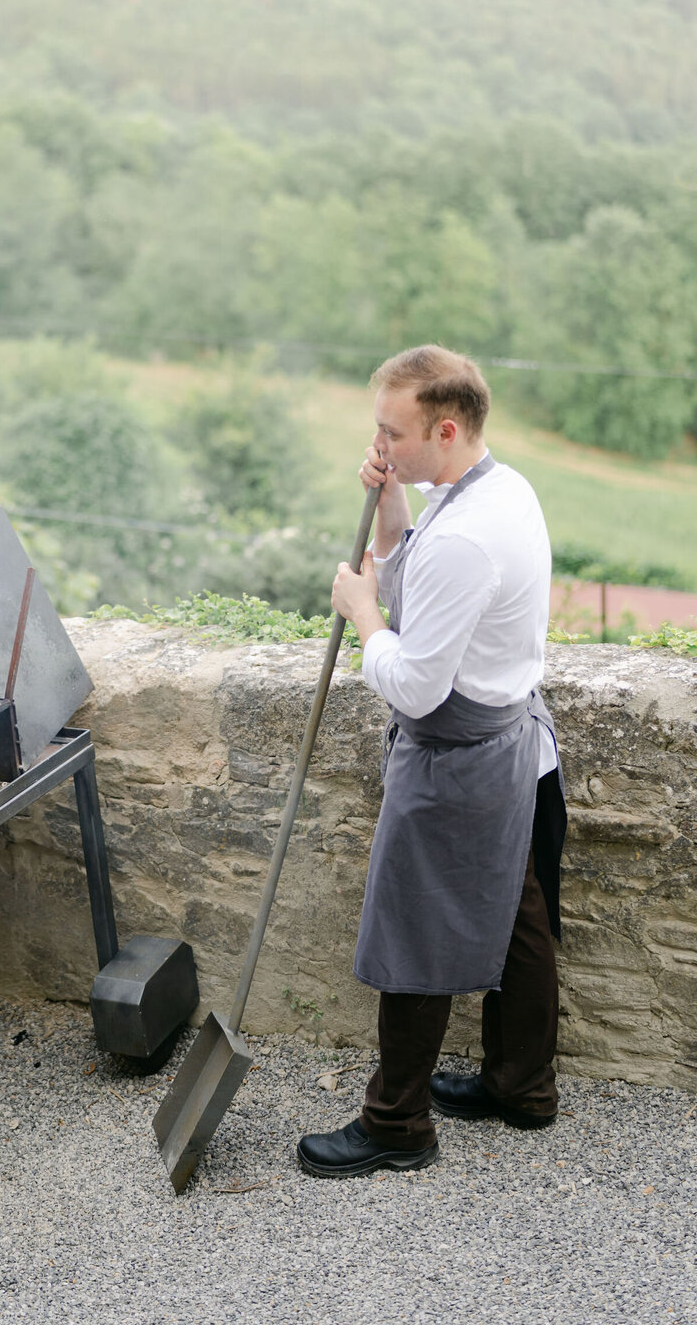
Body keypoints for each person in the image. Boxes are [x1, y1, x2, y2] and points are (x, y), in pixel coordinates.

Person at [297, 345, 566, 1178]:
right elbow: (426, 568)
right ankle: (523, 1087)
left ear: (445, 429)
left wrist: (363, 613)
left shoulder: (470, 538)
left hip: (459, 759)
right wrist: (389, 501)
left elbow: (414, 685)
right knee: (520, 921)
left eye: (393, 432)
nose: (379, 443)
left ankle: (395, 1125)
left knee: (413, 932)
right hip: (514, 747)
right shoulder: (494, 486)